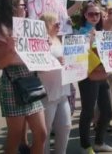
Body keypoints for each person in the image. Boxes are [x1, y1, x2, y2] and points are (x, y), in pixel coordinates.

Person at [0, 0, 46, 154]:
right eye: (23, 5)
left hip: (31, 81)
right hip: (13, 83)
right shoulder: (1, 30)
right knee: (15, 135)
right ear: (12, 8)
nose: (27, 9)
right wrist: (10, 49)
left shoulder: (28, 27)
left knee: (41, 134)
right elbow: (1, 63)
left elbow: (35, 58)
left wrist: (44, 50)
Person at [78, 0, 112, 153]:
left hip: (102, 76)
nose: (94, 16)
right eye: (90, 14)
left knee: (108, 111)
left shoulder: (101, 31)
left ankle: (99, 142)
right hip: (88, 78)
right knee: (88, 112)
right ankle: (85, 146)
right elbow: (79, 57)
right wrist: (89, 41)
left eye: (97, 13)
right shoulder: (81, 32)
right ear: (85, 15)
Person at [38, 12, 71, 154]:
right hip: (47, 93)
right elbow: (36, 65)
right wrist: (55, 61)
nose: (59, 25)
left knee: (66, 126)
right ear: (45, 25)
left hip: (63, 92)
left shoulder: (58, 39)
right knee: (44, 131)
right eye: (55, 23)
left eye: (59, 23)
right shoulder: (39, 42)